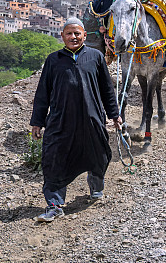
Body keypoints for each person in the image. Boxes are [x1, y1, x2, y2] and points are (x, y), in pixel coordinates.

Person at [30, 17, 122, 222]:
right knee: (54, 159)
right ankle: (54, 204)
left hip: (91, 119)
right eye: (69, 33)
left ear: (84, 36)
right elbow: (42, 94)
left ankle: (96, 184)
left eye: (77, 33)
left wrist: (114, 114)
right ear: (62, 36)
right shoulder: (54, 60)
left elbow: (107, 89)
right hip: (61, 121)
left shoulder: (96, 57)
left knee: (99, 153)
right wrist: (37, 121)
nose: (73, 37)